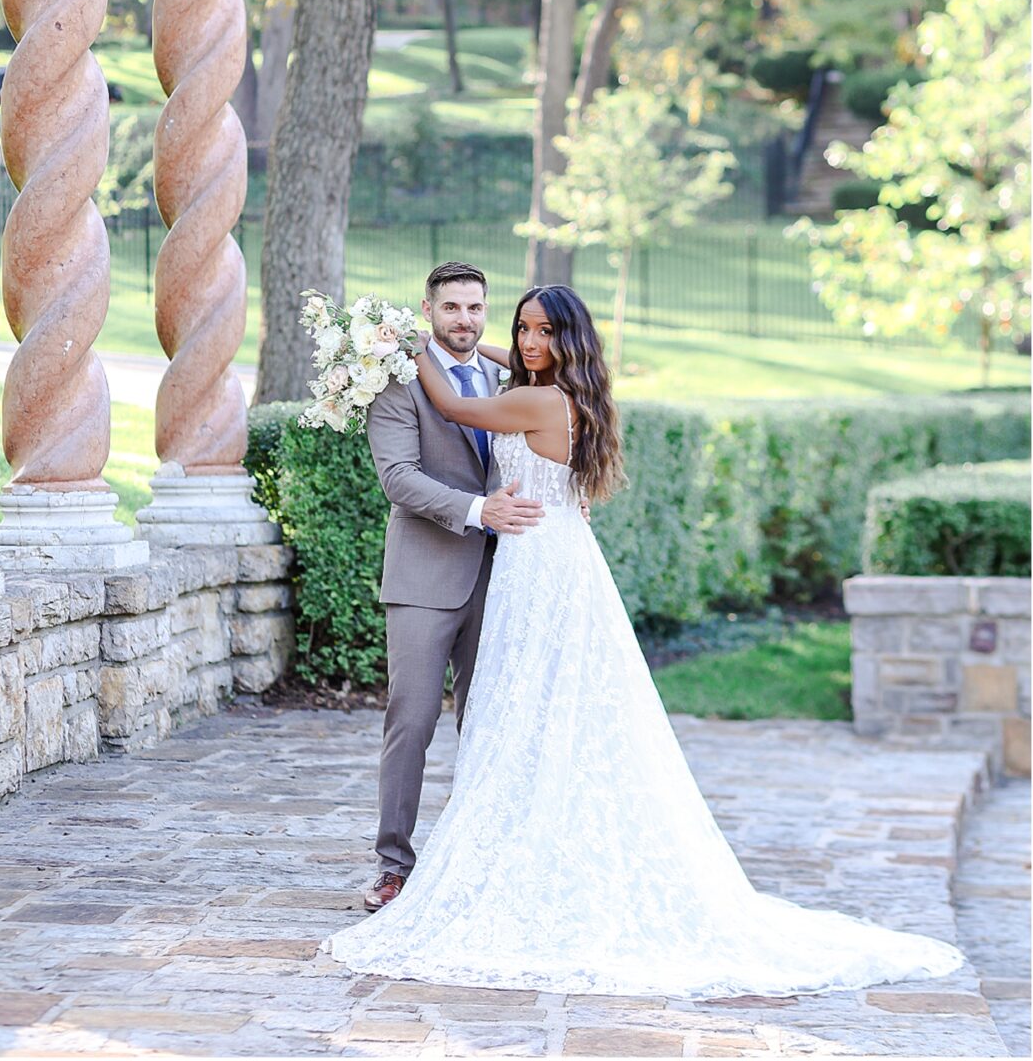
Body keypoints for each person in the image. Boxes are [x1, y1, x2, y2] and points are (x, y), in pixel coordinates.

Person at [326, 283, 964, 999]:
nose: (528, 344)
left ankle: (509, 851)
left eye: (542, 333)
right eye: (522, 330)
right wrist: (497, 347)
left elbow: (451, 405)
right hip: (553, 561)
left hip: (535, 564)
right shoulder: (574, 393)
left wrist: (408, 344)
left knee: (522, 710)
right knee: (531, 712)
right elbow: (493, 383)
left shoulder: (537, 402)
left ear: (568, 342)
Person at [359, 261, 545, 913]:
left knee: (488, 722)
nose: (463, 320)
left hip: (503, 578)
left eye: (474, 308)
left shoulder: (504, 377)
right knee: (410, 722)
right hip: (423, 577)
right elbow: (398, 478)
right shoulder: (397, 382)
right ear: (427, 310)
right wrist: (475, 511)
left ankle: (479, 863)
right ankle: (392, 867)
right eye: (451, 309)